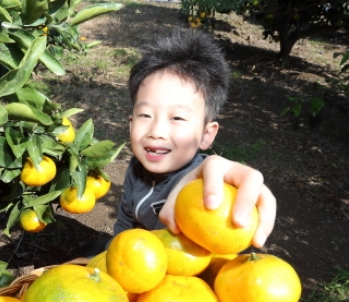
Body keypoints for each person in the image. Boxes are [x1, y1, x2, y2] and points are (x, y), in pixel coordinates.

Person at [78, 29, 276, 256]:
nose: (157, 131)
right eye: (145, 115)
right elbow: (125, 221)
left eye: (178, 118)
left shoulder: (204, 185)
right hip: (140, 259)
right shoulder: (135, 168)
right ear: (131, 124)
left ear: (206, 134)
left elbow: (224, 247)